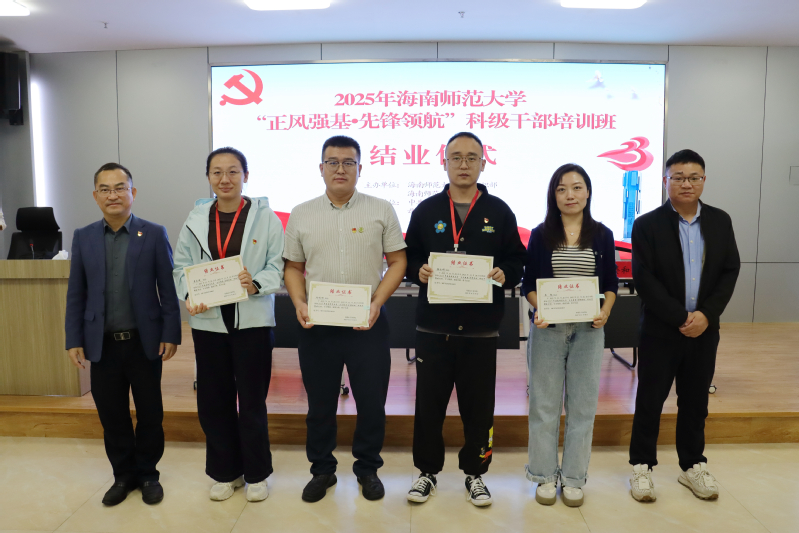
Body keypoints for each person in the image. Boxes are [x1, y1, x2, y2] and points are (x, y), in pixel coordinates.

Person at [404, 132, 527, 507]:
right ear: (443, 162)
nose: (463, 164)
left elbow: (516, 259)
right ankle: (427, 472)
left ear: (483, 164)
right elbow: (407, 258)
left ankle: (476, 473)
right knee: (429, 407)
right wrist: (417, 271)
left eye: (471, 157)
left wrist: (506, 273)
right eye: (455, 157)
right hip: (433, 330)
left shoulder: (499, 211)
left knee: (479, 408)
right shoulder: (426, 210)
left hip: (480, 331)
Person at [283, 135, 407, 502]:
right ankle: (322, 470)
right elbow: (293, 267)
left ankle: (367, 468)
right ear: (321, 168)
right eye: (333, 162)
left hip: (367, 323)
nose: (340, 169)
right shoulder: (302, 213)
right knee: (320, 404)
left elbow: (398, 261)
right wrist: (299, 302)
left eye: (348, 162)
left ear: (360, 168)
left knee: (371, 403)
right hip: (317, 325)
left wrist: (377, 302)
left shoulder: (381, 209)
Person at [65, 162, 181, 506]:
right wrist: (74, 338)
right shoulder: (84, 236)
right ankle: (123, 475)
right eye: (105, 189)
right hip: (102, 345)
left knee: (150, 413)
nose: (112, 195)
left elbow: (167, 288)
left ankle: (148, 474)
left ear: (133, 192)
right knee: (112, 415)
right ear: (95, 196)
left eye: (120, 187)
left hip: (144, 342)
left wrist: (171, 332)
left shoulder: (154, 233)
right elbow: (76, 293)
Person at [173, 147, 284, 502]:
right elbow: (180, 267)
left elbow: (278, 264)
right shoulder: (195, 218)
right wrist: (190, 292)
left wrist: (257, 283)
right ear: (208, 177)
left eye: (233, 171)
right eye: (217, 172)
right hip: (208, 323)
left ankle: (257, 474)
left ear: (246, 176)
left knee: (252, 402)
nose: (225, 179)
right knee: (214, 401)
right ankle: (225, 472)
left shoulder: (266, 218)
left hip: (252, 322)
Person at [628, 149, 740, 502]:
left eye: (693, 177)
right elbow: (644, 279)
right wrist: (679, 317)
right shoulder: (647, 224)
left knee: (695, 401)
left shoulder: (720, 221)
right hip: (661, 330)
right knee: (650, 399)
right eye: (678, 177)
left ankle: (692, 464)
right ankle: (642, 466)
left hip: (704, 330)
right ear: (666, 181)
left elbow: (729, 270)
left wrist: (706, 314)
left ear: (704, 180)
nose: (686, 184)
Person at [521, 164, 618, 507]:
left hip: (589, 331)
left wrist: (605, 311)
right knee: (544, 405)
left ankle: (574, 478)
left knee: (582, 406)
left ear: (588, 192)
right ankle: (544, 475)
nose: (570, 195)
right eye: (562, 189)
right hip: (549, 330)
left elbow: (610, 283)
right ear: (554, 195)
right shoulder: (540, 234)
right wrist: (541, 308)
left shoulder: (602, 234)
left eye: (577, 187)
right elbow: (529, 285)